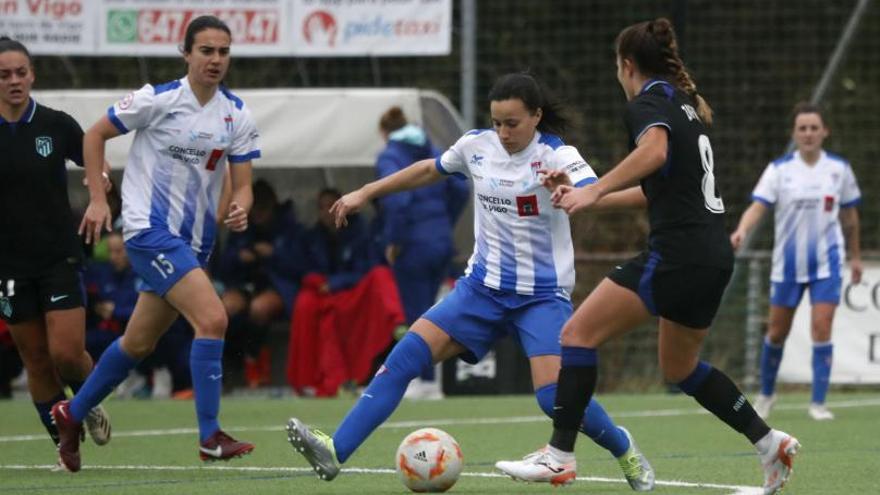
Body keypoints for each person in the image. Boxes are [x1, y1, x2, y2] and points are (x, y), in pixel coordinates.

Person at [286, 72, 656, 491]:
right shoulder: (476, 146)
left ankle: (623, 446)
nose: (503, 132)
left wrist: (570, 190)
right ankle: (335, 451)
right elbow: (429, 169)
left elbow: (592, 189)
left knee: (553, 398)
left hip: (541, 298)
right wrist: (366, 192)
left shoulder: (556, 154)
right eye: (497, 122)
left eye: (512, 123)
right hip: (479, 291)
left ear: (536, 116)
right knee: (404, 357)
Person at [494, 19, 800, 495]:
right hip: (710, 255)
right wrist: (586, 192)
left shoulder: (649, 101)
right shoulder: (686, 105)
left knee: (576, 334)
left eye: (617, 66)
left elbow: (653, 154)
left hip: (677, 253)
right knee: (679, 368)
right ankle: (768, 442)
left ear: (627, 65)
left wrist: (594, 192)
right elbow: (653, 190)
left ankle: (559, 455)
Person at [50, 15, 260, 472]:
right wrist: (98, 197)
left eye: (223, 51)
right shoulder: (157, 99)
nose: (215, 60)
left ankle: (72, 413)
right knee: (214, 317)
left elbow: (243, 184)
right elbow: (94, 134)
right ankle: (210, 437)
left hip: (195, 244)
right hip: (149, 232)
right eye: (206, 50)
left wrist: (240, 205)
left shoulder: (236, 114)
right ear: (186, 53)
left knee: (138, 343)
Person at [0, 37, 112, 459]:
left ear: (32, 75)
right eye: (4, 75)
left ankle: (89, 401)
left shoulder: (55, 124)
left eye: (20, 73)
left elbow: (95, 159)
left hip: (57, 256)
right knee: (36, 360)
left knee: (65, 352)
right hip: (7, 264)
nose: (14, 81)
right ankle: (64, 442)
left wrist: (99, 183)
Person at [730, 102, 861, 421]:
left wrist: (855, 257)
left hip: (827, 264)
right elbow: (758, 207)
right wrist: (742, 229)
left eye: (814, 127)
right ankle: (766, 395)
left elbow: (850, 217)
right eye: (802, 128)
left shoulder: (839, 169)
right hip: (786, 266)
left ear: (824, 132)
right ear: (794, 133)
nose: (808, 133)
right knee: (776, 332)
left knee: (822, 326)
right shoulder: (779, 170)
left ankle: (818, 403)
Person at [374, 106, 469, 399]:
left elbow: (397, 201)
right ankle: (430, 381)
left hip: (413, 245)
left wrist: (394, 240)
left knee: (416, 313)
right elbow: (461, 189)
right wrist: (444, 222)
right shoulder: (433, 148)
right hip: (440, 241)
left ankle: (423, 381)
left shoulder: (390, 157)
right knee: (432, 311)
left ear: (385, 132)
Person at [286, 188, 404, 397]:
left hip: (350, 291)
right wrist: (318, 282)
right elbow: (300, 268)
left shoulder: (360, 233)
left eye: (332, 205)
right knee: (305, 304)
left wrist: (335, 283)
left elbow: (366, 269)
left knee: (375, 280)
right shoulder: (311, 237)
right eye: (322, 207)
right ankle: (307, 379)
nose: (328, 212)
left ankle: (397, 324)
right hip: (323, 292)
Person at [216, 178, 304, 388]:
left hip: (278, 285)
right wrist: (240, 257)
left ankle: (255, 362)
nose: (258, 214)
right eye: (254, 208)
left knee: (259, 308)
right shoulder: (240, 227)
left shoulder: (290, 229)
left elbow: (300, 268)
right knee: (223, 309)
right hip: (244, 283)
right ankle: (229, 364)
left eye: (263, 208)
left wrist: (273, 255)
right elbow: (224, 264)